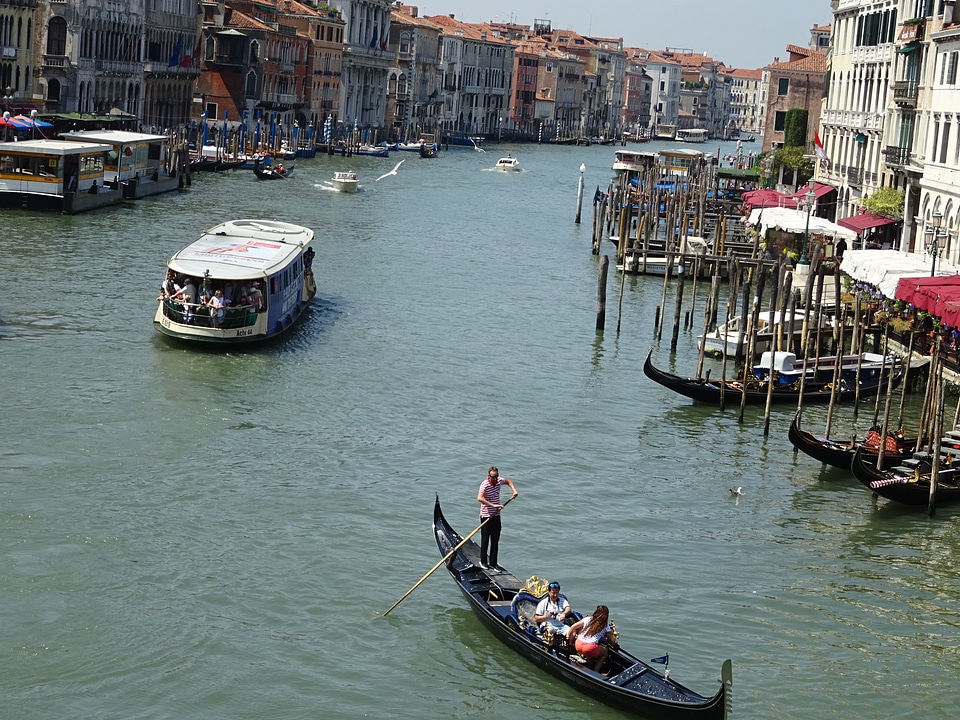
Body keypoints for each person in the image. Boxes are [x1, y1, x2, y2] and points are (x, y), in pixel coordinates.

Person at [476, 466, 518, 571]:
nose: (495, 479)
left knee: (495, 540)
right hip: (486, 515)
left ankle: (494, 564)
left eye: (496, 476)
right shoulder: (485, 484)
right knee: (485, 539)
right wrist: (493, 505)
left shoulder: (499, 481)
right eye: (492, 477)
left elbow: (508, 481)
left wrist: (514, 491)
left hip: (496, 515)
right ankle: (483, 562)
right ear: (488, 476)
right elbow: (479, 498)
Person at [568, 604, 615, 672]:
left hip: (578, 644)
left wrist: (569, 640)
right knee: (604, 653)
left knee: (592, 652)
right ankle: (596, 671)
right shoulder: (605, 626)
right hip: (589, 648)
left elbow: (573, 627)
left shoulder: (588, 619)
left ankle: (589, 667)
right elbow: (612, 642)